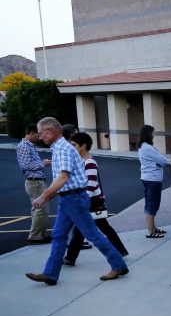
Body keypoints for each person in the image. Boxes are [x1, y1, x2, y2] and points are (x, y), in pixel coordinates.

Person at [25, 117, 129, 286]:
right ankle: (50, 274)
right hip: (68, 199)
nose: (39, 137)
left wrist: (44, 196)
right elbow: (63, 179)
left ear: (50, 130)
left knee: (92, 234)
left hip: (74, 198)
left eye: (41, 133)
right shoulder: (59, 148)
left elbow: (63, 177)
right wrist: (50, 196)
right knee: (59, 235)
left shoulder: (63, 149)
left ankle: (118, 265)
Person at [62, 132, 128, 266]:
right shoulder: (80, 161)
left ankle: (70, 258)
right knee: (89, 228)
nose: (72, 147)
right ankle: (120, 250)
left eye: (74, 145)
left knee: (85, 228)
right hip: (88, 200)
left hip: (90, 200)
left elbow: (91, 185)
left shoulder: (90, 162)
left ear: (83, 146)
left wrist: (81, 201)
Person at [16, 124, 52, 244]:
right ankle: (35, 237)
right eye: (38, 134)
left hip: (36, 181)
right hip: (34, 181)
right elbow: (26, 166)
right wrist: (43, 163)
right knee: (41, 209)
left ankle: (41, 234)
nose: (40, 136)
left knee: (39, 209)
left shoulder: (29, 146)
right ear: (31, 133)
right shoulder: (24, 146)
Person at [138, 124, 167, 238]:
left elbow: (157, 161)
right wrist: (158, 163)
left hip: (147, 178)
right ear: (148, 134)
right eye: (152, 133)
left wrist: (157, 163)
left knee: (149, 204)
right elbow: (163, 161)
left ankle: (153, 228)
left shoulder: (143, 146)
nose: (153, 135)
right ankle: (151, 231)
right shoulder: (147, 147)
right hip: (153, 179)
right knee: (153, 205)